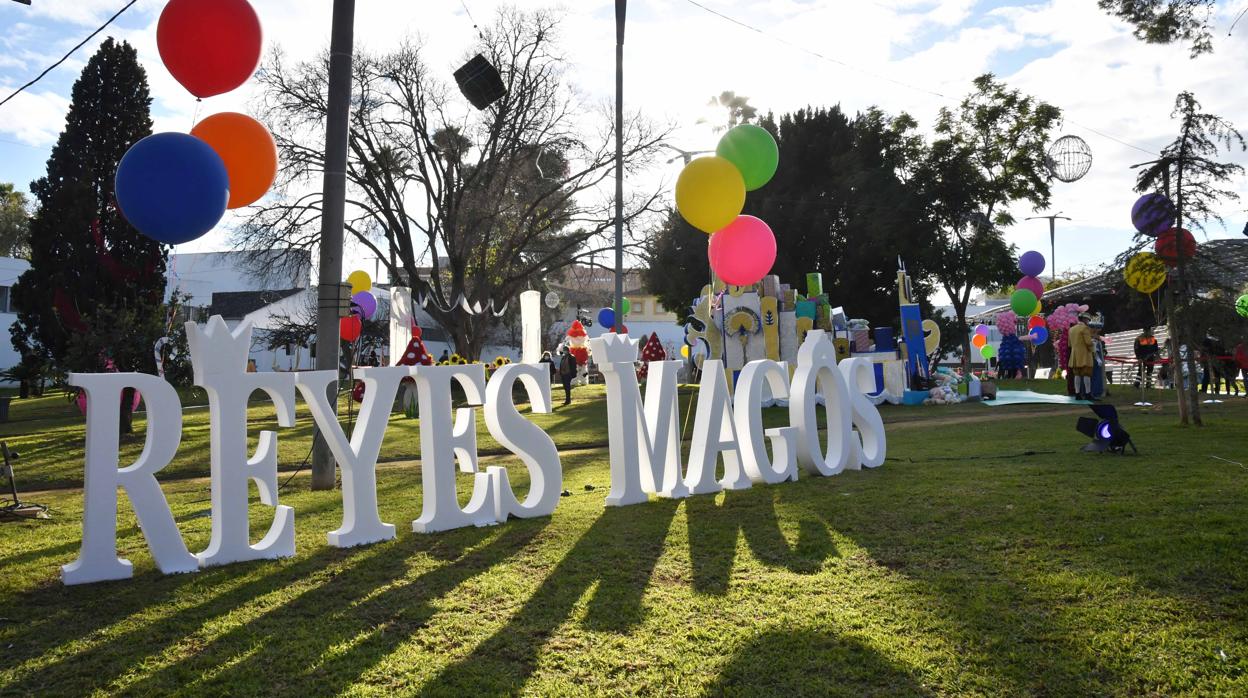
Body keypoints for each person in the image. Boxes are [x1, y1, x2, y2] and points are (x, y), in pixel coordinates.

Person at [1068, 313, 1095, 400]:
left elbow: (1069, 344)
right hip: (1084, 355)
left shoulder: (1071, 329)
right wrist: (1093, 345)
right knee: (1087, 374)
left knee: (1077, 375)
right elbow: (1088, 342)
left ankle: (1077, 394)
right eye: (1087, 320)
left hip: (1074, 356)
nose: (1088, 322)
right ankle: (1088, 394)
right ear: (1084, 319)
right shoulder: (1085, 328)